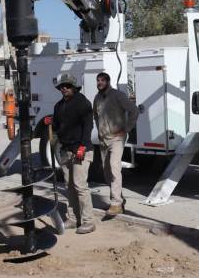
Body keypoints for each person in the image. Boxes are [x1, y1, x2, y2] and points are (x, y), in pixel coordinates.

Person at [50, 73, 96, 234]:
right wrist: (50, 123)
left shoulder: (82, 103)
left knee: (80, 186)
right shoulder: (58, 106)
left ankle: (89, 221)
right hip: (65, 150)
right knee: (69, 186)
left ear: (74, 88)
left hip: (81, 150)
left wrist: (83, 146)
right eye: (62, 86)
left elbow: (88, 126)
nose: (64, 89)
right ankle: (72, 218)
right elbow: (56, 127)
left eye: (67, 86)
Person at [93, 72, 139, 216]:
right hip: (104, 140)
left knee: (114, 168)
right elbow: (96, 117)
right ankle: (120, 198)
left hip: (117, 139)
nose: (99, 83)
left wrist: (126, 129)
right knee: (107, 173)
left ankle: (116, 203)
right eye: (97, 80)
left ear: (108, 81)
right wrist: (100, 133)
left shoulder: (118, 95)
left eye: (102, 80)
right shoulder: (97, 98)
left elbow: (134, 110)